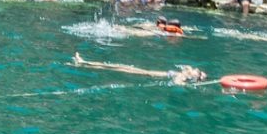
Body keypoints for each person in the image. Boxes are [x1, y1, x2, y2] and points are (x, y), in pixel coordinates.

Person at [72, 52, 208, 85]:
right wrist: (189, 70)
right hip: (145, 72)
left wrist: (184, 82)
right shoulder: (186, 72)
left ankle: (83, 62)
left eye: (199, 72)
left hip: (146, 74)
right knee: (114, 66)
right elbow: (186, 67)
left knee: (114, 68)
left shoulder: (184, 76)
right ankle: (84, 62)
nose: (197, 69)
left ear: (195, 76)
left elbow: (177, 82)